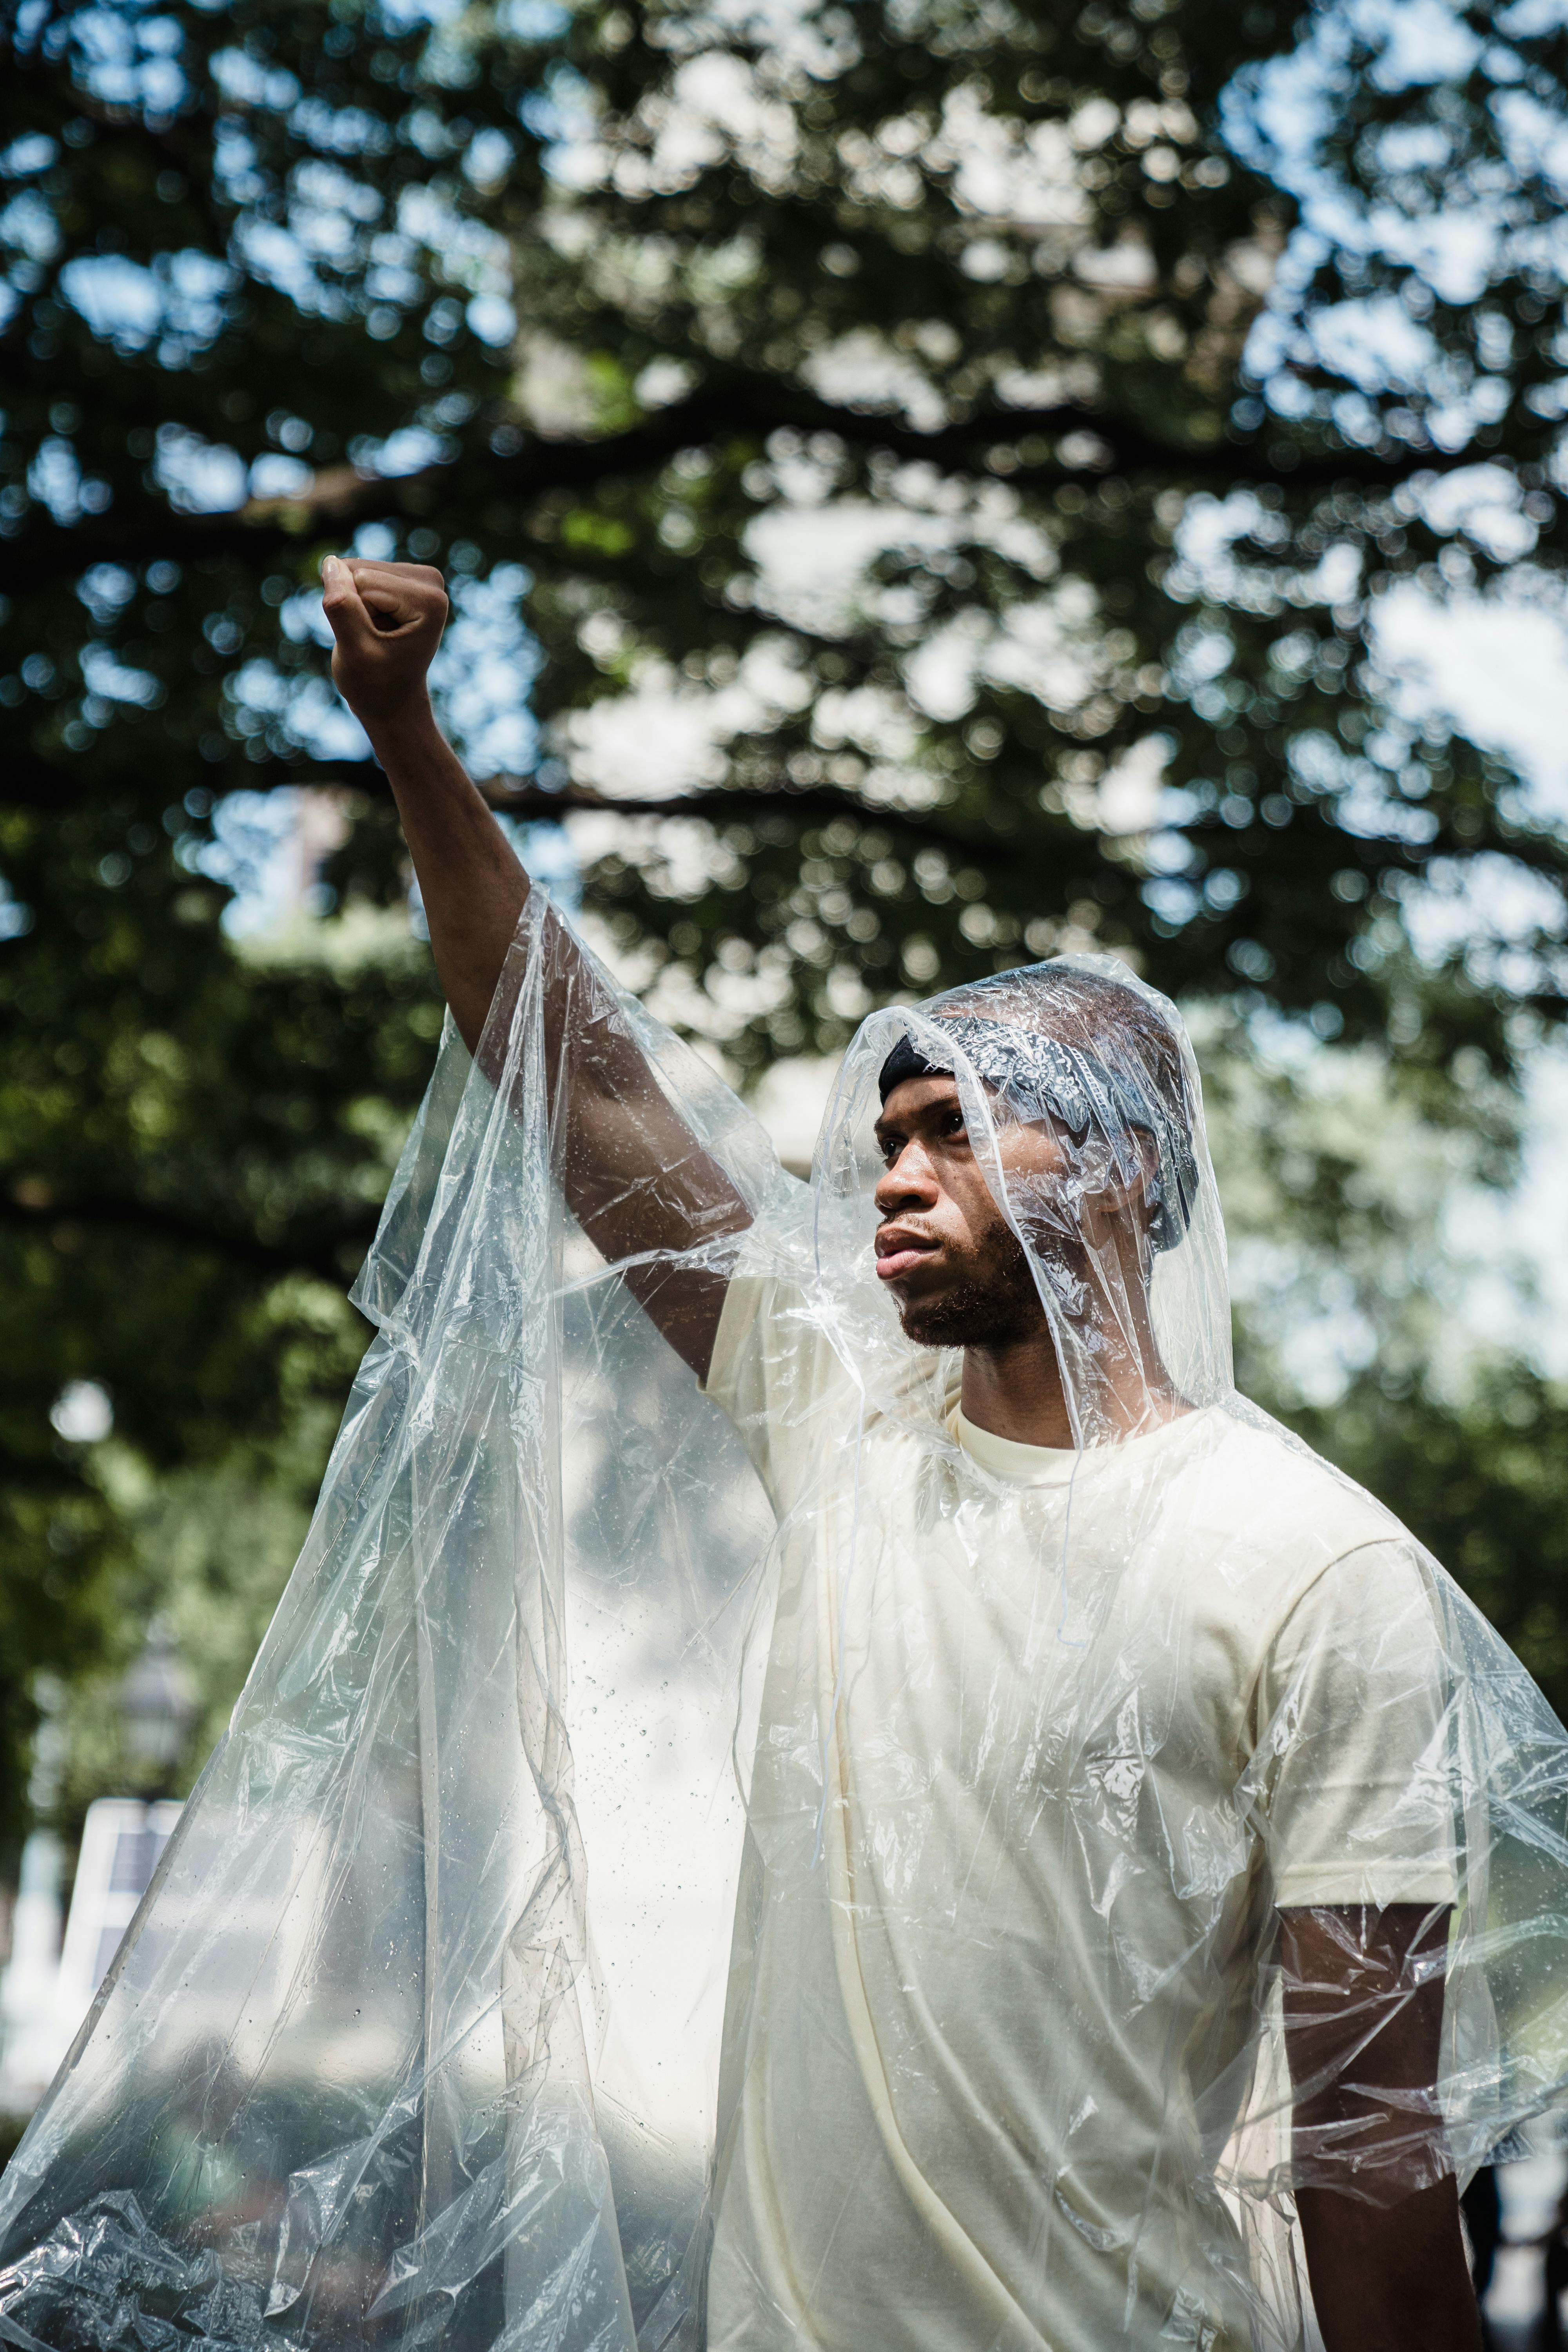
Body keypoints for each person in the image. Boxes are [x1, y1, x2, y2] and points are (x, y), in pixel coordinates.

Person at [310, 552, 1488, 2351]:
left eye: (957, 1131)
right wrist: (410, 742)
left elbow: (1371, 2145)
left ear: (1123, 1175)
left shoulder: (1313, 1572)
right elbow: (584, 1074)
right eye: (888, 1136)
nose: (893, 1177)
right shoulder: (847, 1429)